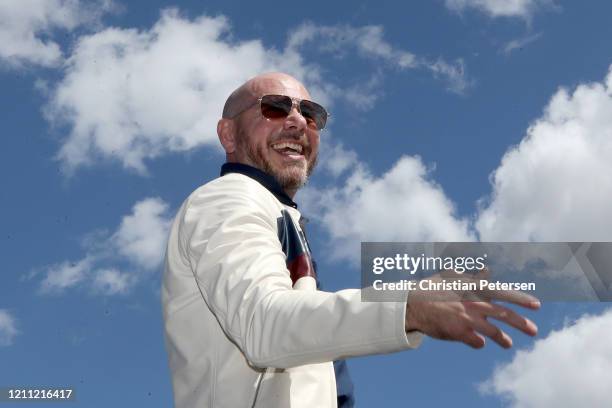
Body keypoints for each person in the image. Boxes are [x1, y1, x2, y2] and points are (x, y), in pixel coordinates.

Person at [162, 72, 540, 408]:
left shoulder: (283, 218)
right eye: (275, 108)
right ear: (227, 134)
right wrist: (410, 305)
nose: (297, 122)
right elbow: (263, 323)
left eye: (311, 114)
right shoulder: (228, 198)